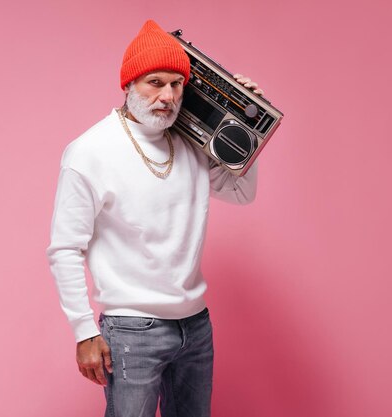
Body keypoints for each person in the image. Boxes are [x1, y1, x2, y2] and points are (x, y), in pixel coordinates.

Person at [46, 19, 264, 417]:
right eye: (154, 82)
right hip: (132, 330)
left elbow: (242, 192)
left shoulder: (194, 145)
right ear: (129, 85)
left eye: (176, 84)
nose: (166, 95)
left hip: (195, 325)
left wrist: (243, 127)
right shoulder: (90, 151)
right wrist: (84, 332)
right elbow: (64, 248)